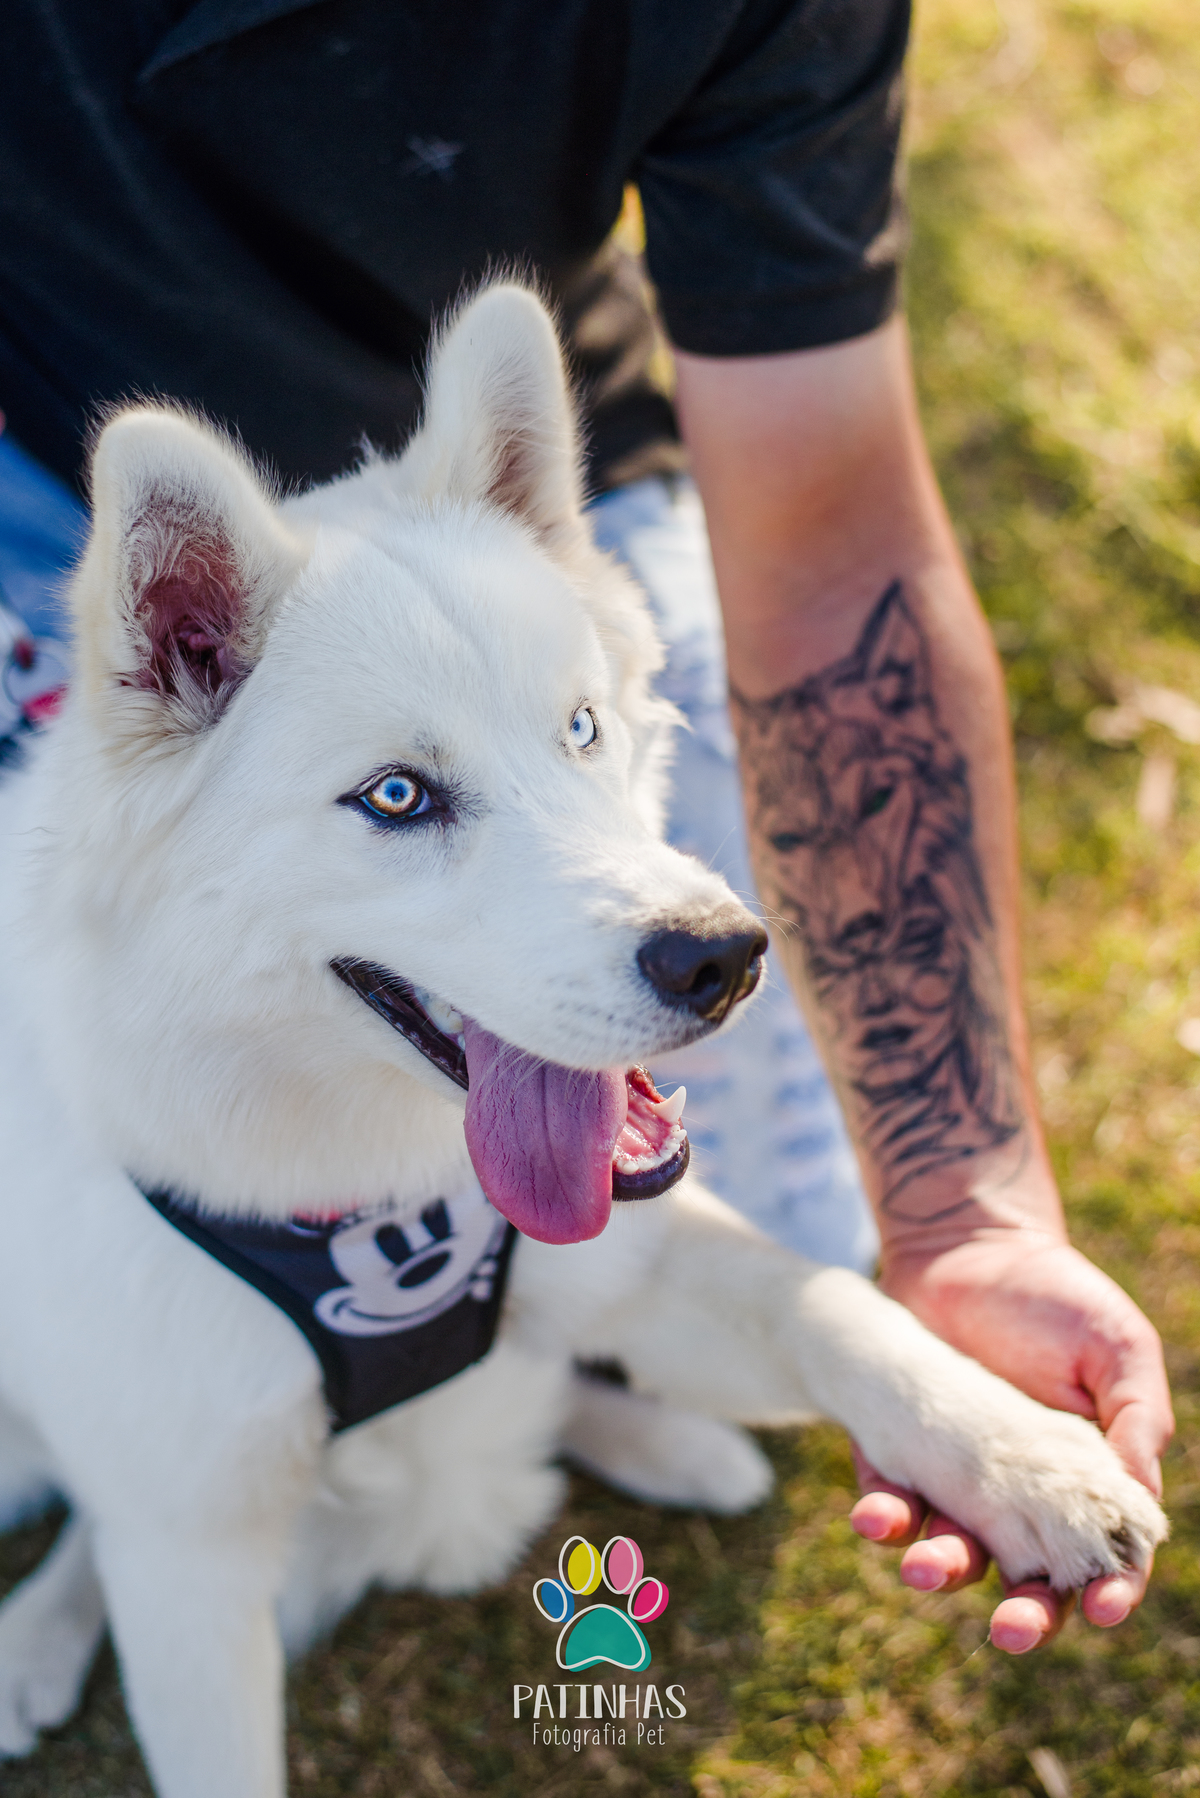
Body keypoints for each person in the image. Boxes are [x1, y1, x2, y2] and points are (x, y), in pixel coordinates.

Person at [0, 0, 1171, 1657]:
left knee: (738, 1234)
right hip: (63, 485)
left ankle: (533, 1356)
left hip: (500, 536)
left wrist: (964, 1208)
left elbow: (837, 550)